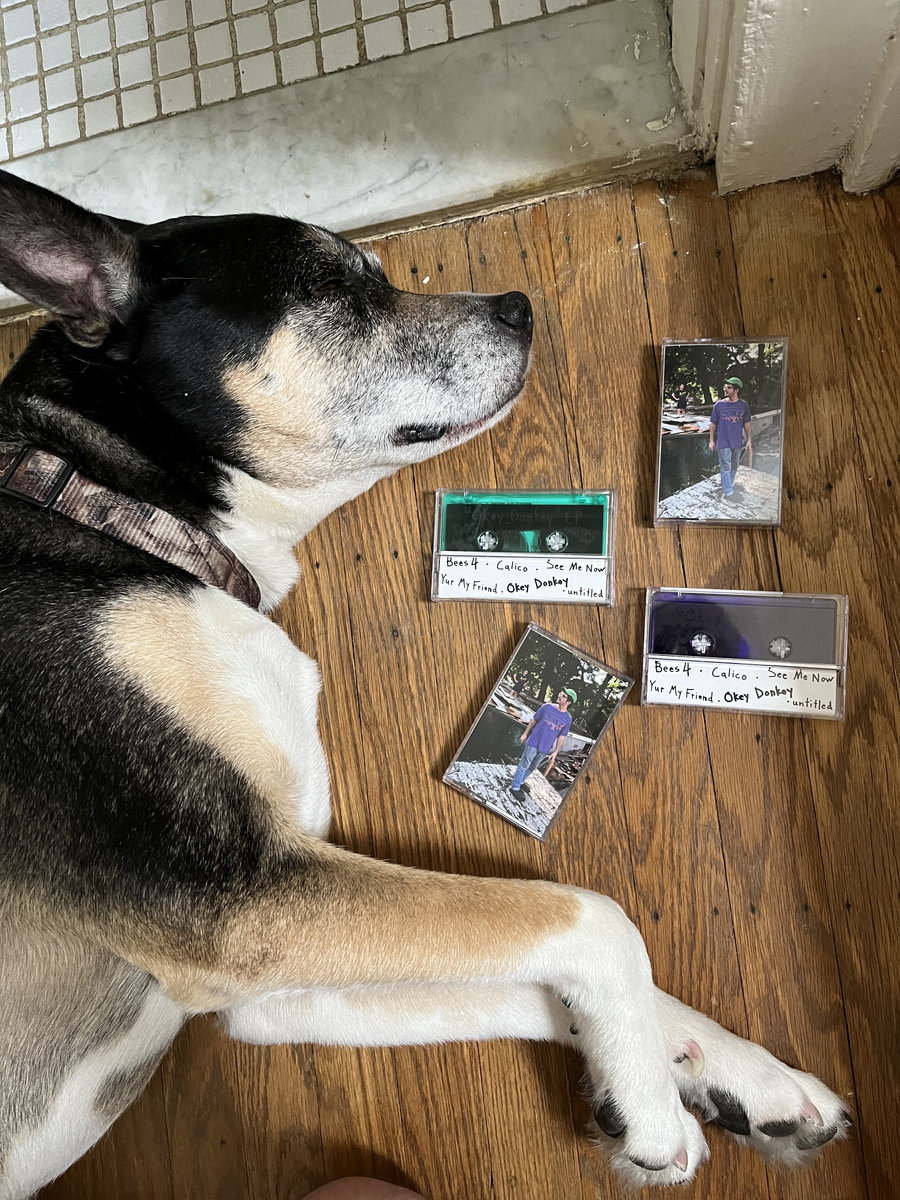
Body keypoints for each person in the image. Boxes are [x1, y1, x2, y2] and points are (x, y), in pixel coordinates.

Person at [510, 687, 576, 799]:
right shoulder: (547, 707)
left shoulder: (567, 719)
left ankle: (520, 781)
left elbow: (562, 736)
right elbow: (534, 720)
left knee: (532, 767)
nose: (560, 696)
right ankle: (515, 788)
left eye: (563, 696)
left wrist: (556, 751)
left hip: (545, 748)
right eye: (561, 693)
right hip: (534, 741)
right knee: (524, 765)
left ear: (568, 702)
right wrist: (525, 734)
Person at [708, 376, 752, 499]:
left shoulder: (743, 405)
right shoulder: (719, 405)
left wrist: (749, 440)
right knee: (725, 467)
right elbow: (712, 424)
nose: (725, 389)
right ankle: (728, 493)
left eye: (729, 387)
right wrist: (711, 440)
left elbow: (747, 424)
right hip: (723, 442)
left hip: (737, 442)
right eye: (725, 387)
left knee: (734, 466)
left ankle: (730, 484)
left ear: (736, 390)